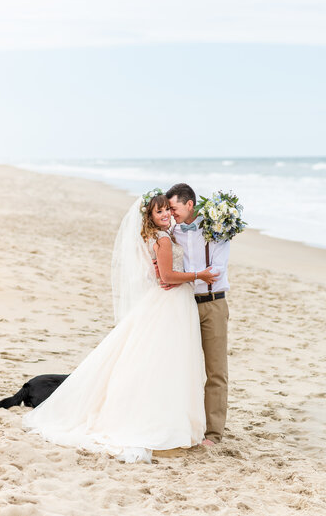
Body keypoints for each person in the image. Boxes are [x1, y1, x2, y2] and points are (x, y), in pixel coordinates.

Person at [23, 191, 206, 463]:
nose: (166, 214)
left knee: (157, 360)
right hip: (171, 302)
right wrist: (198, 275)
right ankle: (162, 421)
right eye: (159, 212)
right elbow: (167, 276)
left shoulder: (154, 236)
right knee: (168, 362)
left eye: (167, 209)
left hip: (166, 300)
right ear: (150, 217)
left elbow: (160, 272)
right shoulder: (163, 238)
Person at [166, 183, 230, 446]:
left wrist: (185, 278)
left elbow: (217, 270)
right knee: (183, 367)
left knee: (215, 371)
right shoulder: (171, 231)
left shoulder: (217, 228)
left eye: (174, 207)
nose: (171, 213)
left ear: (189, 204)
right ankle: (184, 424)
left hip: (213, 304)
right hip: (184, 304)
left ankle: (213, 434)